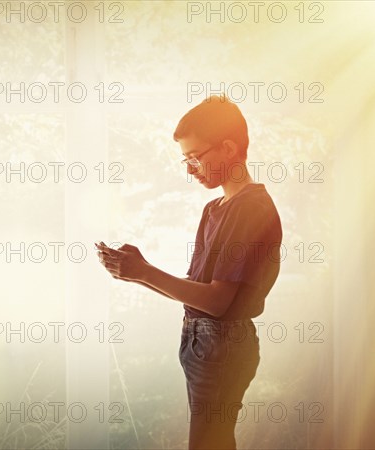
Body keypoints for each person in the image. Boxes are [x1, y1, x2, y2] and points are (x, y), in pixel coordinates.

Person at [95, 94, 283, 449]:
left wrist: (144, 272)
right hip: (202, 342)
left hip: (222, 345)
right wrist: (135, 271)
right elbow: (197, 291)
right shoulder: (216, 208)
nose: (189, 168)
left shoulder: (250, 210)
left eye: (195, 157)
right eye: (186, 159)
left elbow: (217, 303)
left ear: (228, 148)